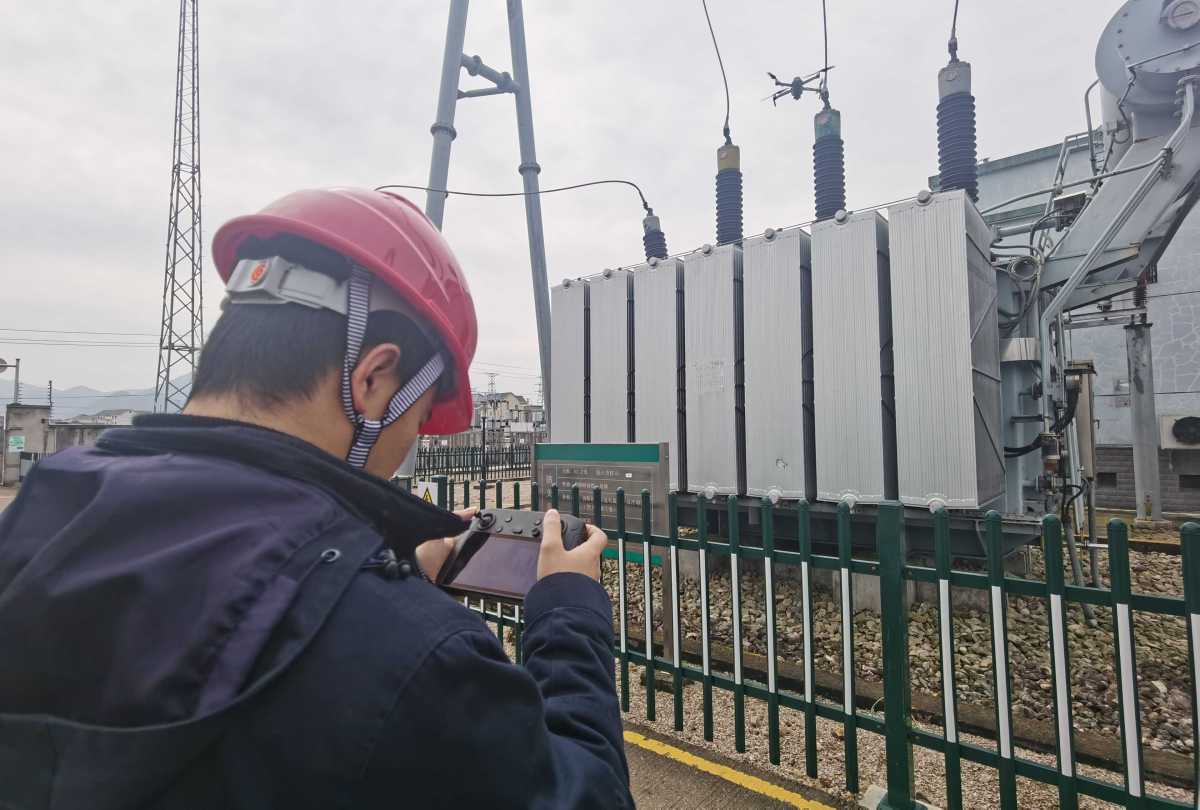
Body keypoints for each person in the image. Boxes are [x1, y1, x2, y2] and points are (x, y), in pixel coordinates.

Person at [0, 188, 632, 808]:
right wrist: (568, 613)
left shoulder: (44, 509)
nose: (409, 442)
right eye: (418, 419)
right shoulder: (416, 655)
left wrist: (386, 572)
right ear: (373, 379)